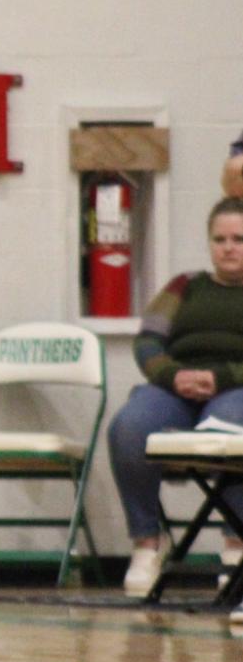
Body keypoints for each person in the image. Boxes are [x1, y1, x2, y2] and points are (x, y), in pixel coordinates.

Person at [109, 197, 243, 595]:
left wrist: (219, 376)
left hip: (235, 387)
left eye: (239, 238)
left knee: (231, 432)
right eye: (219, 239)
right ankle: (147, 542)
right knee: (129, 427)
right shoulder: (184, 286)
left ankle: (235, 545)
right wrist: (173, 375)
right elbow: (148, 340)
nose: (228, 247)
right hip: (175, 388)